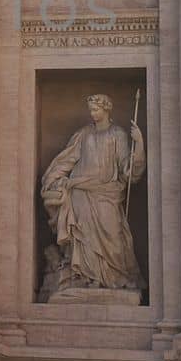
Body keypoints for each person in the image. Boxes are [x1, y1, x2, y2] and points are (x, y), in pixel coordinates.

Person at [39, 94, 147, 295]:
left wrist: (139, 144)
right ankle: (88, 278)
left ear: (106, 110)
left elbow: (127, 169)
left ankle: (116, 277)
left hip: (107, 192)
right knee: (84, 236)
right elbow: (67, 159)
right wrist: (52, 178)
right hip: (80, 191)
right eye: (90, 110)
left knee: (113, 234)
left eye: (96, 109)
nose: (92, 113)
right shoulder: (83, 134)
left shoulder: (118, 135)